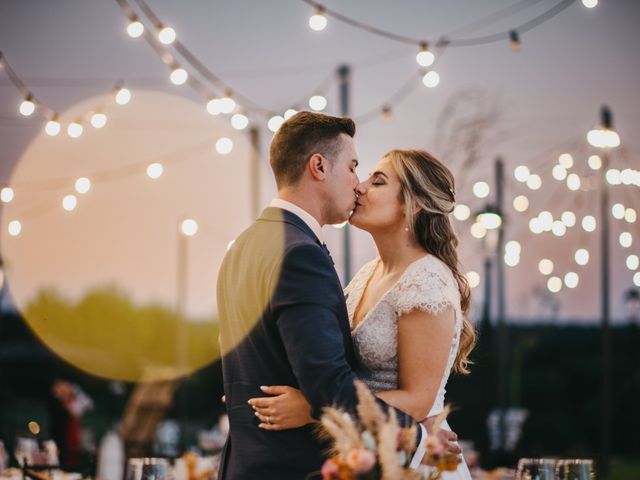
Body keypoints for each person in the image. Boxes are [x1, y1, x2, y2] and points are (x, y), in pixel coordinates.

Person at [216, 113, 458, 480]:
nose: (358, 185)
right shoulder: (306, 256)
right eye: (354, 168)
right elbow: (327, 382)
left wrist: (305, 406)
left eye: (374, 180)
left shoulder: (244, 246)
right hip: (295, 465)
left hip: (260, 462)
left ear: (413, 204)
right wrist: (424, 439)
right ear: (318, 166)